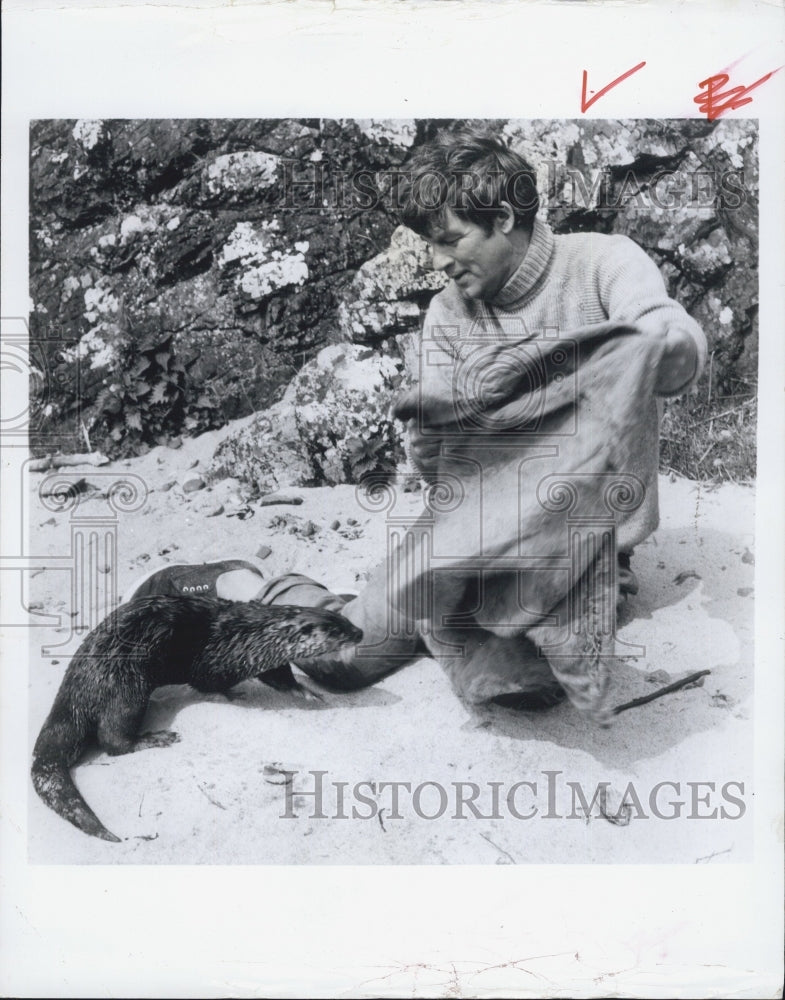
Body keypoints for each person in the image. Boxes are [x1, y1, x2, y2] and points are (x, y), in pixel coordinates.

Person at [129, 126, 707, 721]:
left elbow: (674, 343)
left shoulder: (604, 265)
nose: (437, 262)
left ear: (504, 216)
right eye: (429, 245)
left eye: (449, 240)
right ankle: (236, 586)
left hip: (582, 553)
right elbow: (438, 470)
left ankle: (458, 633)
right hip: (470, 539)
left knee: (528, 680)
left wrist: (648, 349)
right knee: (340, 663)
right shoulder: (448, 313)